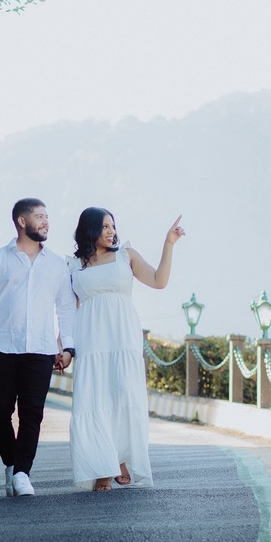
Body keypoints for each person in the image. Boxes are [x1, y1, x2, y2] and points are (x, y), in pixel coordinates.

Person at [68, 208, 184, 491]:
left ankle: (120, 459)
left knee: (122, 394)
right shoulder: (73, 265)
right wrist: (65, 345)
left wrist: (168, 243)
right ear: (89, 229)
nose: (112, 231)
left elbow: (159, 280)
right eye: (105, 226)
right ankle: (103, 468)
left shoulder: (125, 255)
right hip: (91, 340)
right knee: (95, 400)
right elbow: (67, 308)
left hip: (122, 337)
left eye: (113, 226)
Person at [0, 198, 77, 497]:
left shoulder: (57, 264)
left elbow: (66, 307)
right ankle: (11, 463)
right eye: (40, 217)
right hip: (3, 347)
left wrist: (68, 346)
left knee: (32, 414)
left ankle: (22, 473)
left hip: (41, 349)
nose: (46, 222)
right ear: (21, 221)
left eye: (47, 217)